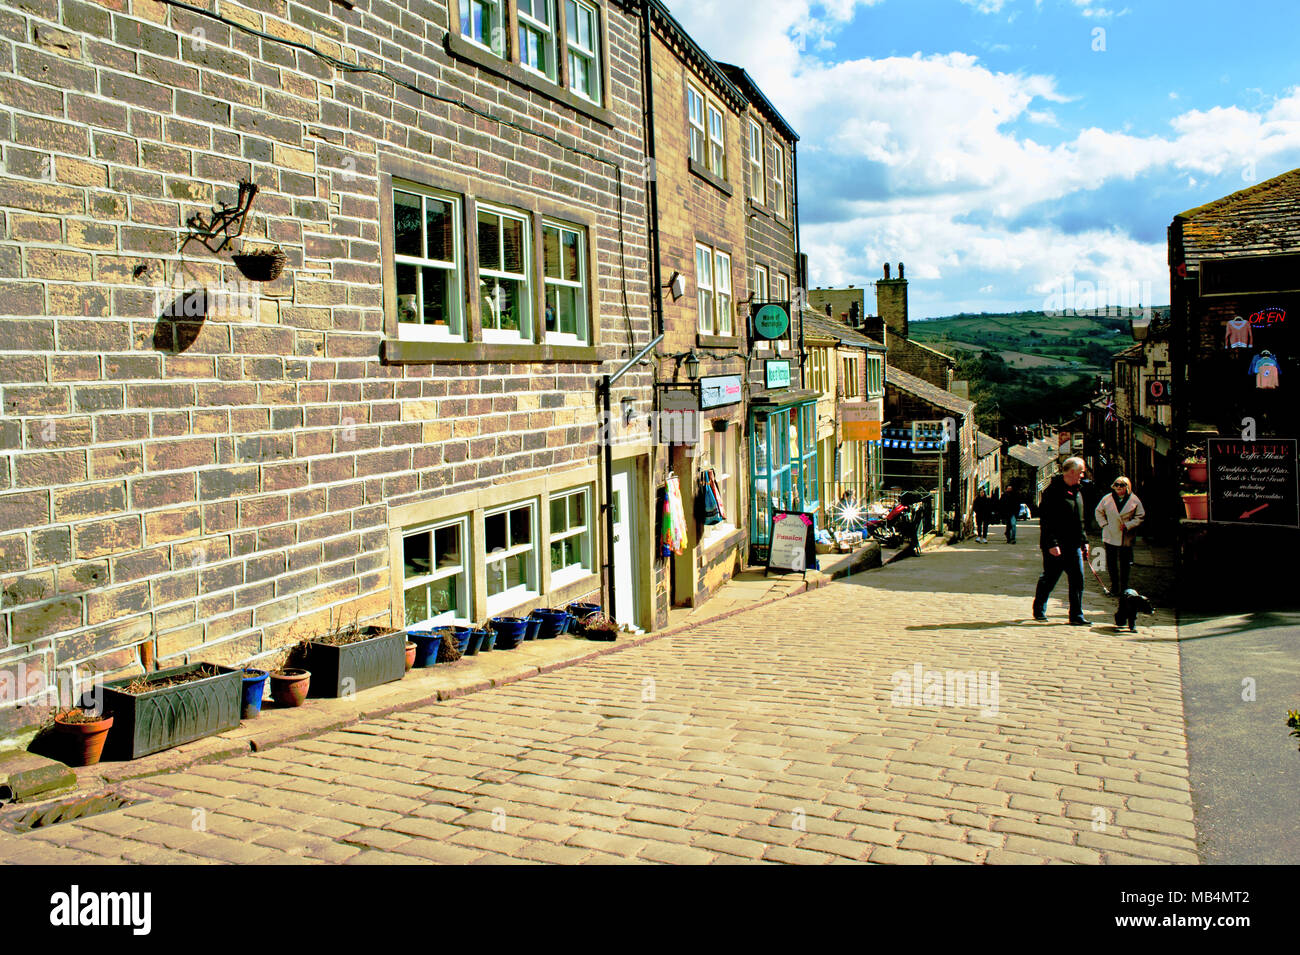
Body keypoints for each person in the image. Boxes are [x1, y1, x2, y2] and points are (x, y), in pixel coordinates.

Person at [1031, 457, 1091, 625]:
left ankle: (1076, 616)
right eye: (1081, 472)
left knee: (1078, 580)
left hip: (1073, 546)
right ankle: (1039, 608)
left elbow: (1080, 520)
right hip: (1056, 546)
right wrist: (1052, 544)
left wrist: (1084, 540)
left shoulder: (1078, 491)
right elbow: (1046, 521)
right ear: (1072, 472)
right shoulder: (1052, 492)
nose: (1083, 475)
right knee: (1050, 578)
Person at [1093, 476, 1145, 597]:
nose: (1119, 487)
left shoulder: (1134, 500)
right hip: (1110, 532)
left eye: (1122, 485)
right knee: (1111, 562)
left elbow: (1140, 515)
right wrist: (1104, 524)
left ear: (1127, 487)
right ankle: (1114, 586)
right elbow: (1098, 511)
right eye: (1116, 484)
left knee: (1125, 562)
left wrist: (1129, 525)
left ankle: (1124, 587)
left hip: (1125, 535)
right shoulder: (1107, 498)